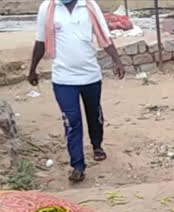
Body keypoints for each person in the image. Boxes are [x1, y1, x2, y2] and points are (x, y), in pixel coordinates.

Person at [28, 0, 125, 183]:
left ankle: (97, 145)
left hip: (90, 75)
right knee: (71, 120)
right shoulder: (47, 8)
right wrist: (32, 69)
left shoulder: (89, 6)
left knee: (94, 112)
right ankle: (77, 165)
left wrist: (117, 61)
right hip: (63, 78)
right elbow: (40, 41)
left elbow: (104, 36)